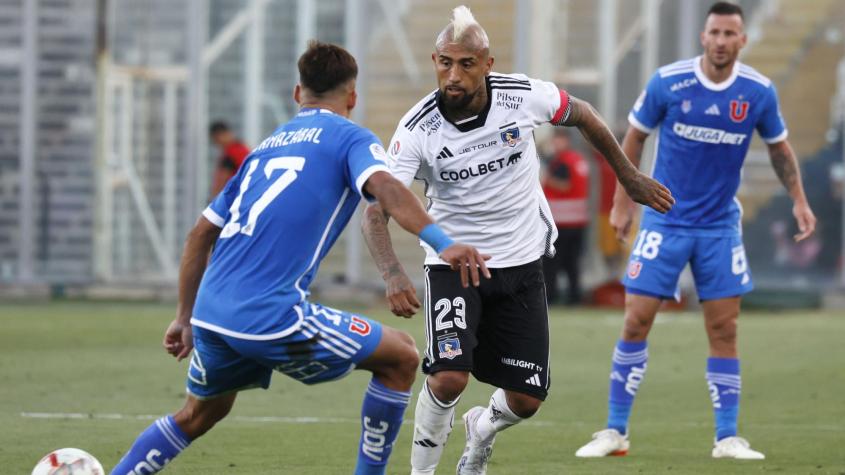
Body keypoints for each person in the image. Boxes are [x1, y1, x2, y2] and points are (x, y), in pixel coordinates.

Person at [109, 41, 490, 475]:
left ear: (297, 94)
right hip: (269, 314)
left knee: (198, 415)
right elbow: (386, 189)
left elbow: (199, 235)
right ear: (352, 97)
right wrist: (442, 241)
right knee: (401, 356)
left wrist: (184, 316)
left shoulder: (264, 149)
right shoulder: (351, 137)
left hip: (211, 315)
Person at [360, 6, 674, 474]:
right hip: (453, 266)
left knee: (527, 399)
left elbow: (583, 114)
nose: (454, 74)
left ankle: (481, 430)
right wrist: (391, 272)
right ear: (434, 61)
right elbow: (376, 210)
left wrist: (628, 177)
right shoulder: (416, 129)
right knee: (448, 378)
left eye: (466, 63)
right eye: (445, 62)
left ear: (488, 63)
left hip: (523, 261)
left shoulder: (522, 95)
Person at [575, 2, 816, 460]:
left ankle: (727, 437)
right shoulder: (668, 81)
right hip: (665, 220)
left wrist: (801, 200)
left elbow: (781, 150)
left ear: (742, 40)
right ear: (702, 38)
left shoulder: (759, 92)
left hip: (719, 226)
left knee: (724, 329)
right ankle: (614, 431)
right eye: (715, 33)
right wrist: (624, 201)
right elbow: (634, 135)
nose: (722, 41)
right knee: (635, 319)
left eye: (731, 34)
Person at [541, 128, 590, 305]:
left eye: (557, 140)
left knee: (553, 262)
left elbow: (564, 186)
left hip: (562, 221)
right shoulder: (578, 160)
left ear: (566, 140)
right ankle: (574, 296)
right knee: (572, 263)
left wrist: (545, 176)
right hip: (578, 220)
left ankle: (552, 296)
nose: (555, 144)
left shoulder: (562, 162)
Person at [208, 121, 250, 196]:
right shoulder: (242, 148)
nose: (216, 142)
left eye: (216, 139)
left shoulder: (232, 152)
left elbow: (223, 179)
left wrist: (215, 198)